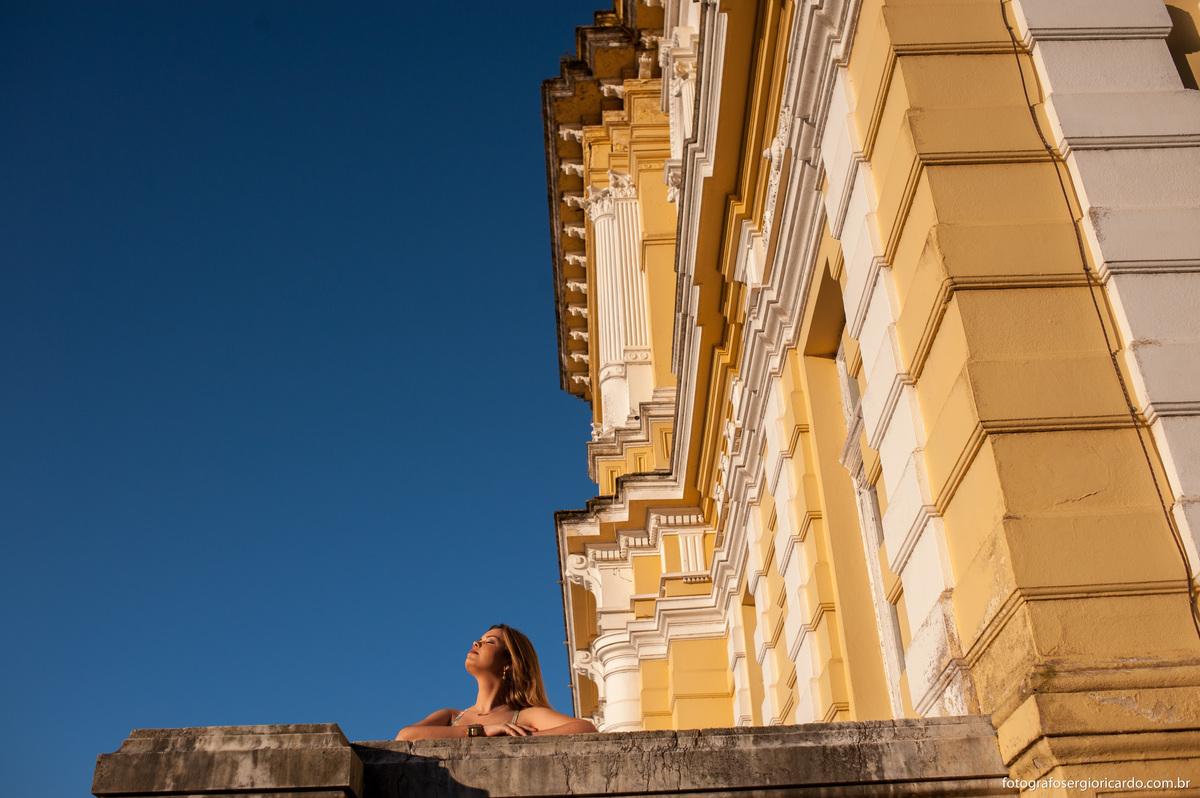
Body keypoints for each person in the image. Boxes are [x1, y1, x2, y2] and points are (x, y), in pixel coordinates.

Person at [395, 624, 598, 740]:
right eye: (480, 639)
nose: (476, 643)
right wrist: (481, 732)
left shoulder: (526, 716)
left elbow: (584, 729)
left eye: (490, 642)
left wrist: (513, 739)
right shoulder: (451, 716)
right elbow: (405, 736)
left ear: (509, 663)